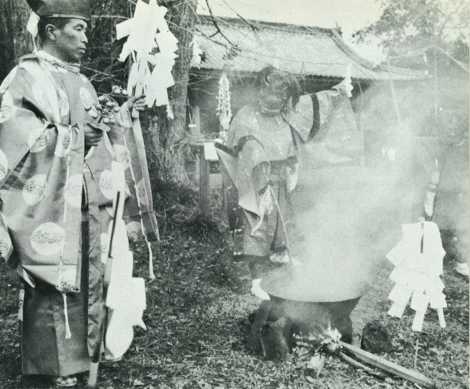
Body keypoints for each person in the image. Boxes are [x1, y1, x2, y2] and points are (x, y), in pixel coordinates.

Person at [0, 0, 158, 386]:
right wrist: (71, 139)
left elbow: (98, 139)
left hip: (89, 209)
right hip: (50, 209)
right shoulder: (24, 78)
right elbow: (13, 145)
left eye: (85, 29)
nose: (86, 38)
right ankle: (47, 373)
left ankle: (82, 365)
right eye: (78, 29)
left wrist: (119, 117)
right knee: (53, 286)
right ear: (51, 30)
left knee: (90, 283)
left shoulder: (84, 82)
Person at [220, 66, 367, 354]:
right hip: (255, 181)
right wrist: (256, 161)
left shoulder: (290, 111)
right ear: (259, 89)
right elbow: (238, 145)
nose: (275, 97)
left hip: (282, 180)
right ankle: (257, 276)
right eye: (270, 90)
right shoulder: (246, 116)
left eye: (281, 92)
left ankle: (280, 267)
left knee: (282, 223)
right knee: (257, 225)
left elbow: (316, 104)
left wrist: (337, 92)